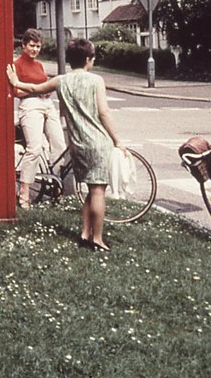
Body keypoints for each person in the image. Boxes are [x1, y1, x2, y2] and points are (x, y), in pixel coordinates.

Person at [7, 38, 125, 252]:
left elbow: (34, 87)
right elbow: (104, 112)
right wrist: (117, 140)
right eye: (92, 58)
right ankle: (97, 239)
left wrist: (15, 82)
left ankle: (84, 233)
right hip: (97, 142)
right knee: (98, 190)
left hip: (76, 142)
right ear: (88, 59)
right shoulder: (96, 80)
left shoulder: (61, 80)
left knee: (90, 190)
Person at [12, 29, 67, 209]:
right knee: (34, 148)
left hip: (47, 104)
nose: (35, 49)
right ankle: (24, 192)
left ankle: (56, 186)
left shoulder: (39, 65)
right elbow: (16, 91)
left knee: (59, 146)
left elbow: (46, 85)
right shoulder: (16, 65)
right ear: (23, 45)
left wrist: (46, 90)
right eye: (32, 46)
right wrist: (37, 90)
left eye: (38, 46)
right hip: (30, 106)